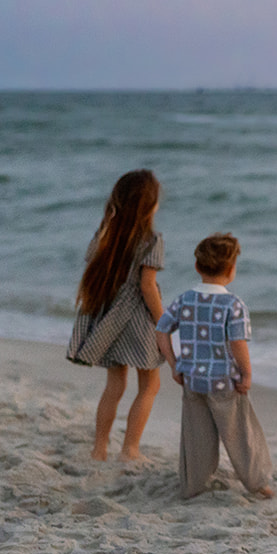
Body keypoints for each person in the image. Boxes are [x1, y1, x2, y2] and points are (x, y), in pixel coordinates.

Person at [154, 233, 274, 500]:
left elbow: (161, 331)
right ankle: (257, 484)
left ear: (197, 267)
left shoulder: (185, 299)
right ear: (231, 270)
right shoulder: (233, 304)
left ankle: (193, 485)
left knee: (197, 437)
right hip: (224, 381)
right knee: (240, 435)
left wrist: (175, 365)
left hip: (192, 380)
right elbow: (237, 343)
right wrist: (247, 373)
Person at [68, 169, 166, 462]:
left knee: (115, 385)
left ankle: (99, 448)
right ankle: (130, 449)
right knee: (150, 384)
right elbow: (147, 288)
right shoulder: (151, 240)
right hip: (137, 320)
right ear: (149, 205)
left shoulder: (105, 234)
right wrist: (164, 322)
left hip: (109, 318)